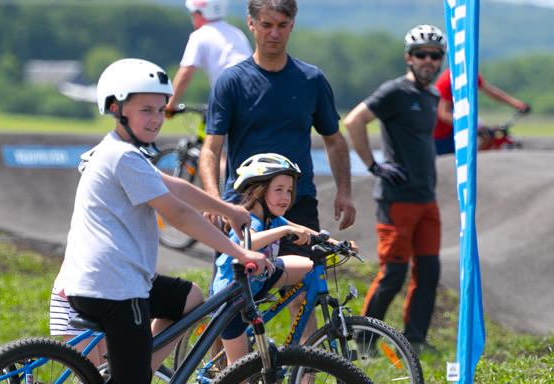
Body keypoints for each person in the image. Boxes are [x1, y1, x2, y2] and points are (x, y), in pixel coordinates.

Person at [56, 58, 268, 384]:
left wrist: (229, 209)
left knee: (190, 297)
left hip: (115, 281)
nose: (155, 118)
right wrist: (236, 252)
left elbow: (175, 188)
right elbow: (172, 211)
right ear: (116, 109)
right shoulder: (123, 158)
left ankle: (131, 374)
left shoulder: (126, 156)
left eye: (161, 110)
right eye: (145, 110)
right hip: (115, 290)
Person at [199, 0, 354, 343]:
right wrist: (214, 201)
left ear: (293, 25)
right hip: (243, 205)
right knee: (229, 301)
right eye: (267, 25)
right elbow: (211, 148)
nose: (274, 33)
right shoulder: (231, 81)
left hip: (296, 200)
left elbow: (334, 141)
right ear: (251, 25)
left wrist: (345, 190)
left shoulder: (311, 80)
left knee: (305, 294)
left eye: (282, 25)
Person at [343, 25, 444, 351]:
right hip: (397, 199)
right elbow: (353, 121)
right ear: (409, 58)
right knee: (394, 273)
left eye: (435, 55)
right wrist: (373, 166)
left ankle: (415, 339)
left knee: (428, 273)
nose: (428, 60)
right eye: (421, 54)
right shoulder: (394, 91)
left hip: (427, 198)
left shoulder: (433, 95)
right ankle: (364, 340)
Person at [210, 153, 313, 384]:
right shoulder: (249, 220)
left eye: (290, 190)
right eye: (279, 189)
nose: (286, 196)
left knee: (307, 265)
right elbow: (246, 243)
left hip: (258, 285)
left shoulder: (274, 220)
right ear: (258, 191)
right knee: (237, 372)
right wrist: (283, 231)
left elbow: (300, 229)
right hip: (232, 298)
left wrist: (330, 241)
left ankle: (304, 301)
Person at [165, 0, 252, 112]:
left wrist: (169, 104)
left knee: (216, 128)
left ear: (199, 13)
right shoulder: (237, 32)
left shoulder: (199, 35)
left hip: (228, 92)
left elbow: (185, 73)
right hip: (253, 88)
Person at [433, 68, 530, 155]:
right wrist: (473, 127)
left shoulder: (469, 73)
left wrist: (517, 104)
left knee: (488, 134)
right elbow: (443, 114)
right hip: (440, 135)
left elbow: (490, 90)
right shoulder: (448, 80)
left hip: (455, 128)